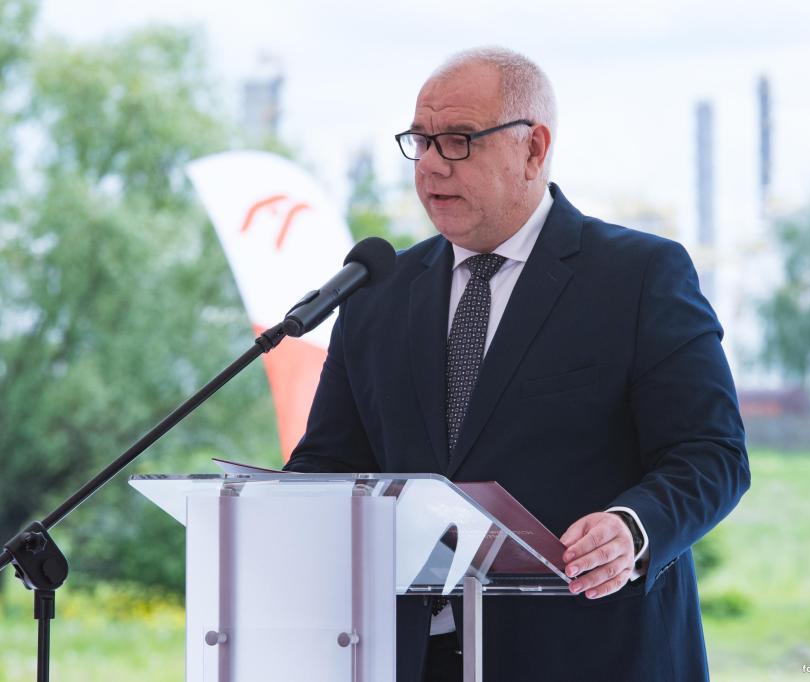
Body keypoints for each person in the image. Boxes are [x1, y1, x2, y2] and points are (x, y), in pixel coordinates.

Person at [285, 46, 750, 682]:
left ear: (533, 148)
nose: (431, 165)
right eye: (420, 141)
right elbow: (328, 464)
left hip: (588, 656)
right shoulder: (377, 293)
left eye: (458, 141)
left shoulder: (638, 275)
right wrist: (274, 510)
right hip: (409, 659)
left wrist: (632, 527)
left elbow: (711, 453)